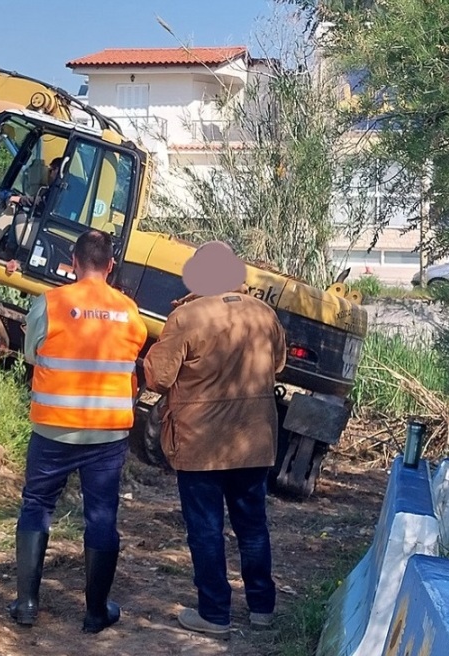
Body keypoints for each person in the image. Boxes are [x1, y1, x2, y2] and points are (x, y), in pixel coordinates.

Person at [142, 240, 287, 637]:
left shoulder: (187, 317)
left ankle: (215, 613)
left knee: (206, 529)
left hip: (200, 443)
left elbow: (158, 377)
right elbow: (278, 363)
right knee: (253, 525)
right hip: (254, 441)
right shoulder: (264, 313)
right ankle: (262, 608)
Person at [7, 229, 148, 634]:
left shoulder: (51, 302)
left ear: (73, 260)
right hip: (106, 435)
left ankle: (27, 605)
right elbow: (131, 357)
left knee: (36, 505)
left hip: (53, 430)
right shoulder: (129, 311)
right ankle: (95, 612)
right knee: (101, 516)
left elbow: (32, 352)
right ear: (110, 265)